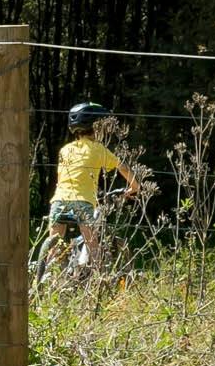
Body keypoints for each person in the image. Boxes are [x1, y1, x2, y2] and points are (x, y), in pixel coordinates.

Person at [45, 100, 149, 283]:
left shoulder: (65, 149)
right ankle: (96, 282)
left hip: (59, 200)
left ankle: (46, 278)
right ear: (96, 127)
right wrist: (135, 187)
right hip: (83, 201)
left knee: (54, 243)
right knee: (93, 245)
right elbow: (122, 167)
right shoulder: (98, 149)